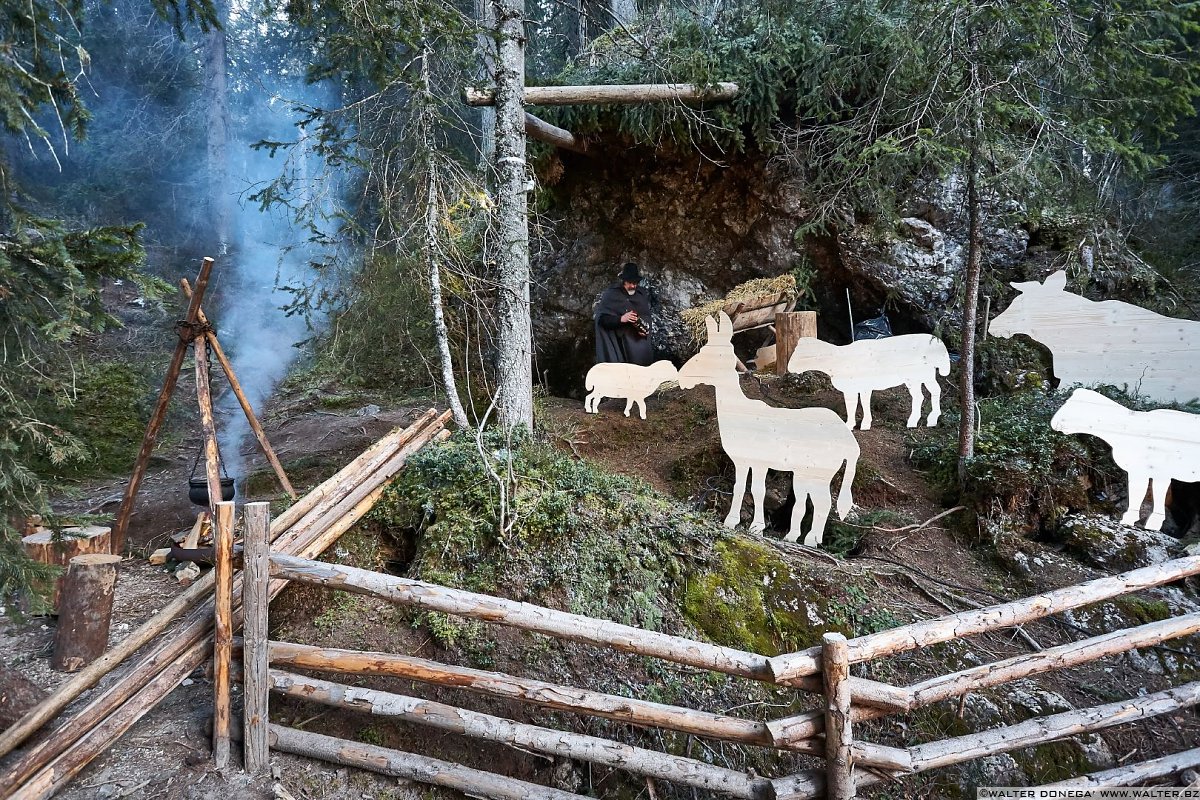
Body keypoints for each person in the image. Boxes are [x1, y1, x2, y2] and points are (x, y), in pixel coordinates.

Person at [594, 262, 654, 366]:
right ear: (624, 281)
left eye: (635, 283)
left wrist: (644, 329)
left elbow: (646, 316)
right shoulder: (612, 294)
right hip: (619, 345)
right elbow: (602, 320)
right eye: (630, 282)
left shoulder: (641, 294)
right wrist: (621, 319)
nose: (632, 286)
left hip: (637, 343)